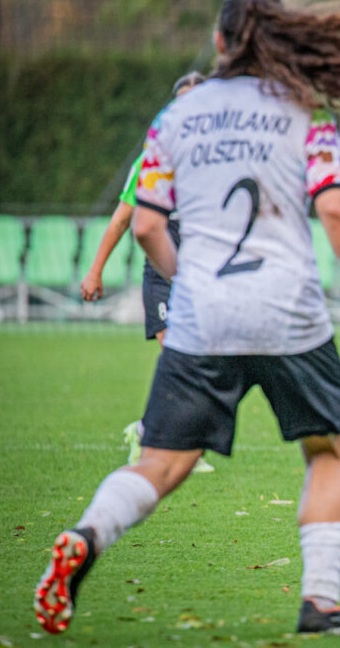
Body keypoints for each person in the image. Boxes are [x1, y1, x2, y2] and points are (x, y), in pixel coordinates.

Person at [35, 0, 340, 636]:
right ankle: (320, 604)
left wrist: (188, 281)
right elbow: (333, 208)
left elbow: (146, 226)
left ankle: (88, 533)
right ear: (277, 40)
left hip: (202, 316)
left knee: (162, 461)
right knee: (327, 450)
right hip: (289, 313)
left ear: (218, 41)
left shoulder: (176, 115)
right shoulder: (305, 109)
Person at [80, 71, 214, 474]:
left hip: (201, 275)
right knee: (179, 356)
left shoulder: (216, 161)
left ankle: (162, 437)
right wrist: (95, 271)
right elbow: (124, 219)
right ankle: (157, 438)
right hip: (162, 275)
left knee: (201, 361)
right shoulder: (152, 162)